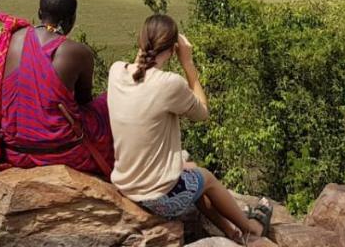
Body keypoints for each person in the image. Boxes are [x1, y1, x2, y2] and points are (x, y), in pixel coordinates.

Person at [108, 15, 271, 244]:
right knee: (206, 178)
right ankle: (251, 228)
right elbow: (203, 112)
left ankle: (231, 230)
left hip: (125, 184)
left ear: (140, 40)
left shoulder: (116, 71)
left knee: (190, 169)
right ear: (174, 49)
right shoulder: (168, 84)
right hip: (155, 197)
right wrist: (188, 64)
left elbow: (140, 71)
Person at [0, 0, 113, 175]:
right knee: (110, 102)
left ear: (39, 13)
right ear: (71, 20)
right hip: (63, 153)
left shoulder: (10, 39)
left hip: (14, 151)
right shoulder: (78, 52)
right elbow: (84, 103)